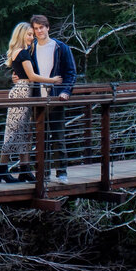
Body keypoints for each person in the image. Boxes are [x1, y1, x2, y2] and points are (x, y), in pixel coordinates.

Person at [0, 21, 62, 183]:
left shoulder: (22, 52)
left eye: (32, 34)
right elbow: (31, 76)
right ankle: (1, 170)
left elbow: (20, 73)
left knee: (25, 133)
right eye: (29, 34)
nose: (32, 37)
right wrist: (52, 80)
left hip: (25, 92)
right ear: (21, 35)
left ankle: (24, 169)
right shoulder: (23, 53)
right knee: (13, 132)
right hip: (22, 93)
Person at [29, 14, 77, 180]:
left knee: (58, 136)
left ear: (47, 27)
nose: (39, 31)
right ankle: (43, 174)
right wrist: (16, 76)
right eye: (36, 28)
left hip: (56, 98)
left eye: (41, 27)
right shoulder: (31, 48)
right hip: (38, 99)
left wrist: (66, 91)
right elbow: (27, 71)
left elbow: (71, 72)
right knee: (40, 138)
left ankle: (62, 172)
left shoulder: (60, 47)